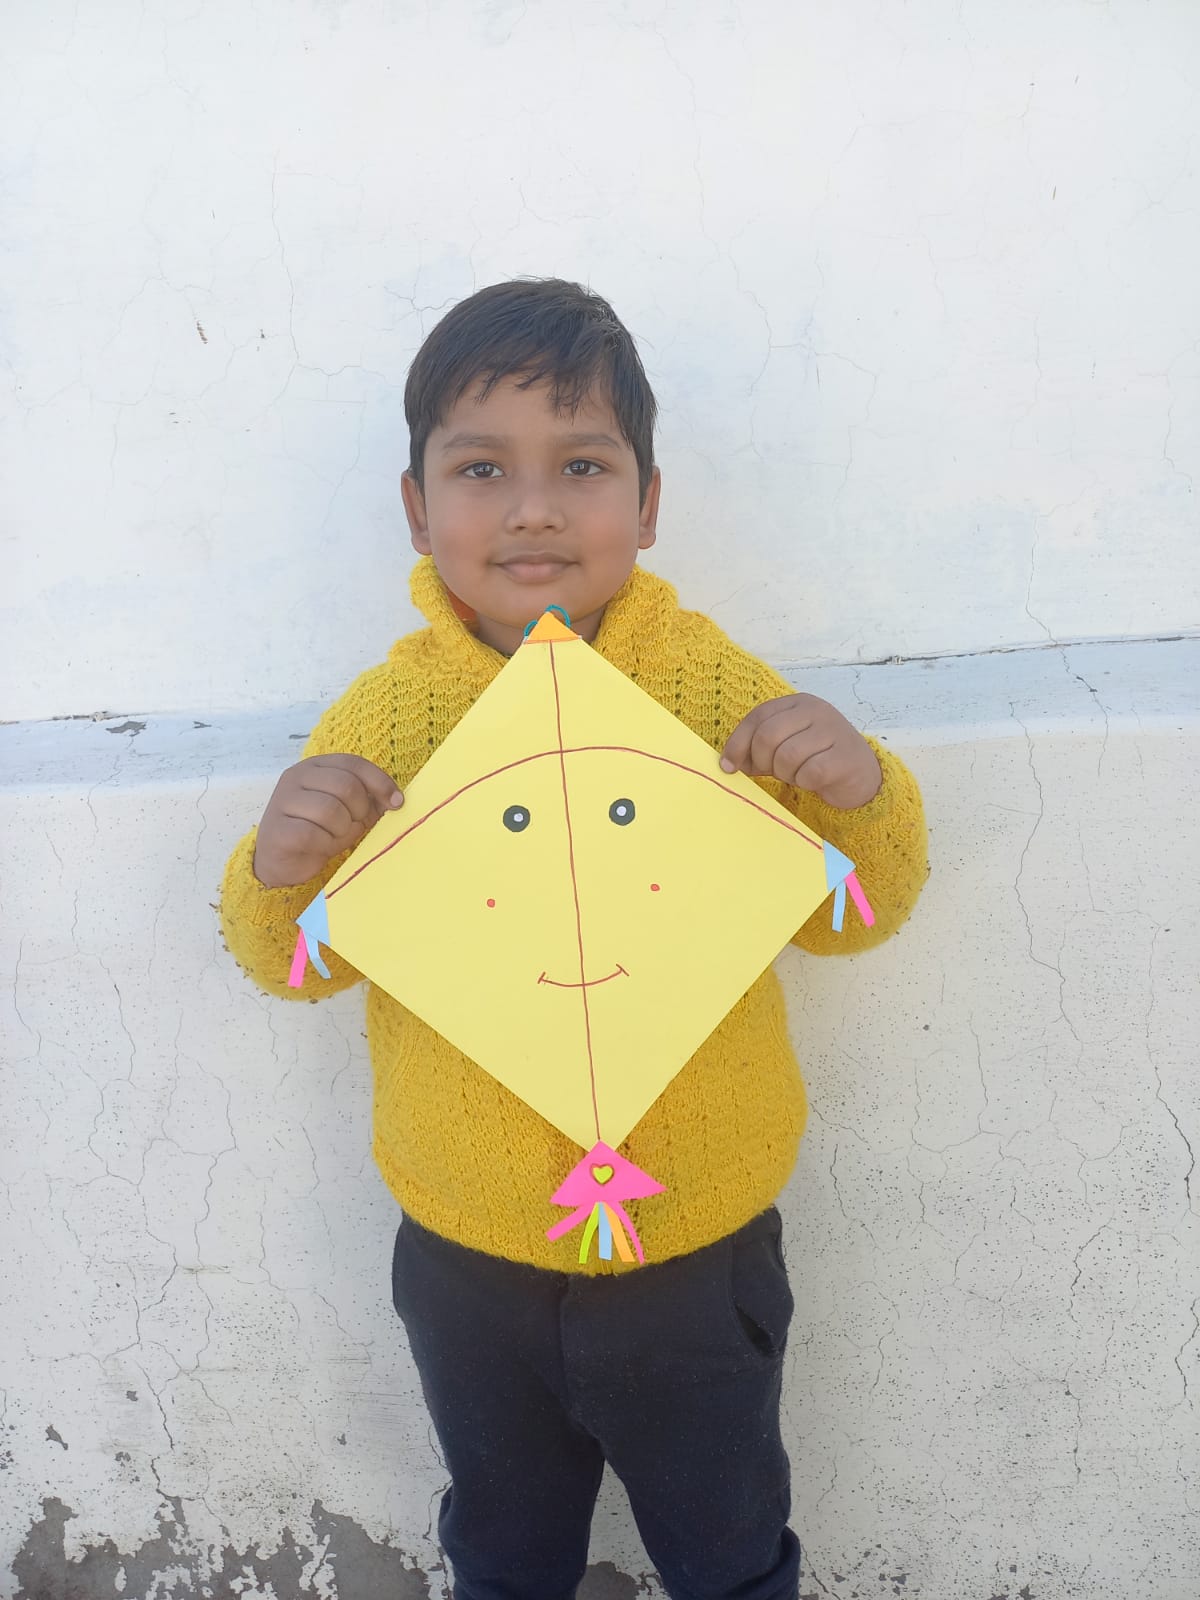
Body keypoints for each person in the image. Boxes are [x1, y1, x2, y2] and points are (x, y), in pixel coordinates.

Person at [220, 278, 928, 1600]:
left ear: (649, 505)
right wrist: (279, 869)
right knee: (503, 1554)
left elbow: (856, 912)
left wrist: (858, 790)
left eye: (584, 466)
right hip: (469, 1254)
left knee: (728, 1553)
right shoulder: (387, 719)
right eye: (482, 468)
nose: (534, 507)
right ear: (417, 507)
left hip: (696, 1249)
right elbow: (294, 963)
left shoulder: (709, 687)